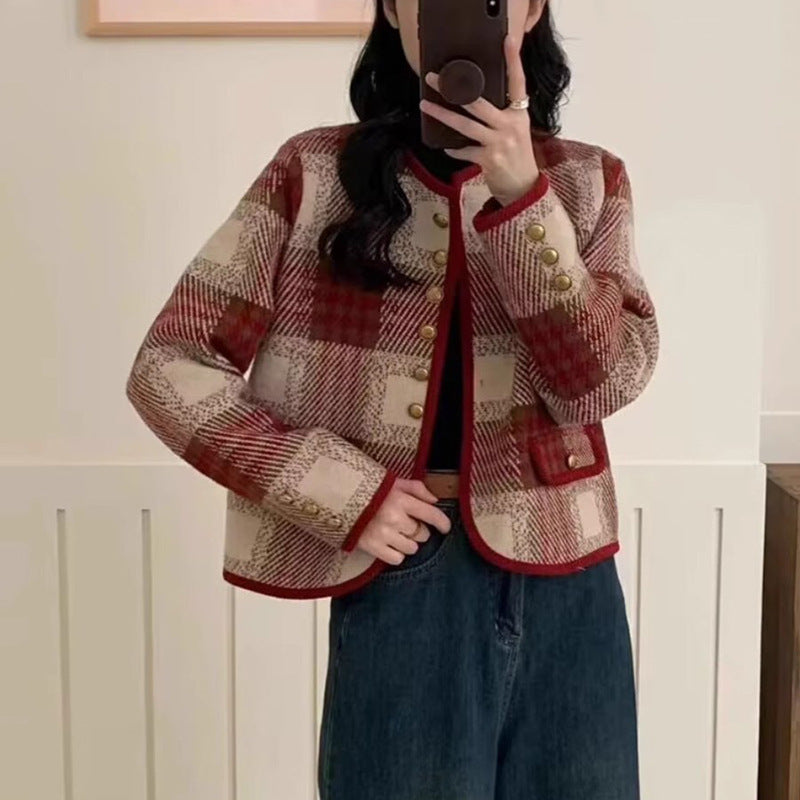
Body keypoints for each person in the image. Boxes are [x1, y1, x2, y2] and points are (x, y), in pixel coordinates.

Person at [125, 1, 660, 797]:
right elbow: (170, 364)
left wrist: (522, 197)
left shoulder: (588, 182)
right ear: (391, 7)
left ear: (531, 9)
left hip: (570, 577)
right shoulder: (312, 174)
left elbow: (599, 382)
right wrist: (344, 493)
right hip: (407, 576)